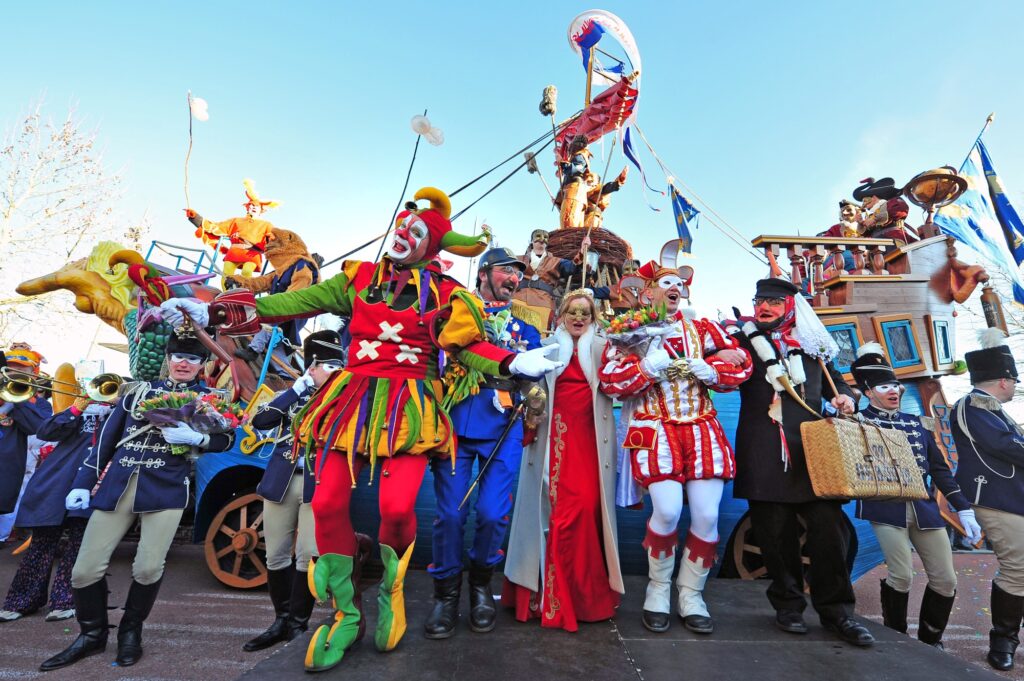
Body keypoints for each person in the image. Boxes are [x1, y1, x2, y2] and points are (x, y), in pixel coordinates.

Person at [159, 186, 561, 672]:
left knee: (395, 509)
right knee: (325, 503)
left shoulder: (448, 295)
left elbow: (468, 346)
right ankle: (346, 614)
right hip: (351, 400)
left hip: (410, 408)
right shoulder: (359, 279)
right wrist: (217, 311)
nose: (402, 235)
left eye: (416, 232)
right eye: (402, 226)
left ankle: (392, 591)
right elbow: (294, 303)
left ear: (432, 246)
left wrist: (516, 360)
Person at [39, 329, 235, 671]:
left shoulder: (210, 400)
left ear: (203, 365)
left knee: (147, 567)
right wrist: (83, 482)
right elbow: (105, 441)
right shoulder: (137, 393)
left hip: (165, 488)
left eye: (193, 358)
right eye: (178, 356)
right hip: (118, 485)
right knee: (84, 571)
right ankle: (91, 635)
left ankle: (131, 631)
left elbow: (228, 441)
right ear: (168, 359)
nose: (184, 363)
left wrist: (198, 438)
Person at [599, 259, 752, 634]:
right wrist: (647, 367)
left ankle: (691, 593)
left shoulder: (704, 328)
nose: (674, 287)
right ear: (648, 291)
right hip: (656, 431)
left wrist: (712, 370)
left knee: (706, 516)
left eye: (678, 283)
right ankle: (658, 588)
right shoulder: (629, 330)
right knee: (666, 512)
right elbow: (610, 382)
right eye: (665, 282)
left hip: (701, 428)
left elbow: (743, 362)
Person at [730, 277, 874, 647]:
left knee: (829, 534)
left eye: (774, 301)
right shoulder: (739, 341)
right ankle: (788, 606)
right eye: (760, 299)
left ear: (791, 307)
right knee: (774, 535)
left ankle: (838, 613)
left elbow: (838, 386)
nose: (765, 306)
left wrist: (846, 400)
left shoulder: (813, 348)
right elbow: (721, 374)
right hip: (764, 449)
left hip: (814, 450)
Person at [425, 247, 541, 639]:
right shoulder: (456, 316)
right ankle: (445, 594)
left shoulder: (527, 330)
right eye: (507, 271)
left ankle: (479, 585)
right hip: (456, 424)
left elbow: (533, 381)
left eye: (518, 275)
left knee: (493, 514)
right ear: (484, 273)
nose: (514, 279)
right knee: (451, 514)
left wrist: (534, 399)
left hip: (503, 427)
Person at [503, 290, 623, 631]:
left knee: (584, 509)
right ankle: (548, 596)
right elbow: (527, 385)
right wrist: (533, 403)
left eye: (586, 312)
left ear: (593, 318)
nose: (579, 317)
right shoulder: (546, 346)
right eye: (573, 310)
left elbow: (619, 385)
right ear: (562, 315)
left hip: (590, 443)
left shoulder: (604, 348)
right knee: (549, 512)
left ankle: (582, 598)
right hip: (550, 439)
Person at [851, 343, 981, 648]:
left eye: (895, 385)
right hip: (884, 508)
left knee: (946, 580)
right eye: (884, 386)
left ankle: (929, 641)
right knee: (901, 576)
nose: (894, 391)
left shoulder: (915, 423)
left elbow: (940, 470)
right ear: (869, 392)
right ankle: (898, 639)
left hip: (923, 508)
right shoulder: (856, 423)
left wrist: (964, 509)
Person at [242, 330, 342, 652]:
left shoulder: (342, 399)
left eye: (338, 365)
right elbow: (262, 421)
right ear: (311, 367)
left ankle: (298, 624)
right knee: (275, 554)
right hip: (282, 479)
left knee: (306, 556)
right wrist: (295, 389)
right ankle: (280, 620)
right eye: (328, 365)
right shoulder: (294, 394)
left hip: (318, 483)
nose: (336, 371)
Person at [0, 393, 113, 623]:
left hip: (97, 482)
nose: (106, 397)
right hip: (58, 480)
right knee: (42, 543)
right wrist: (75, 410)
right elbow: (45, 431)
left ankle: (65, 601)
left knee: (80, 544)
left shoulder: (121, 417)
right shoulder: (83, 412)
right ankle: (22, 601)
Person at [950, 328, 1023, 671]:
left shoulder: (990, 408)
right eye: (1014, 381)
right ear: (1005, 380)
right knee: (1017, 567)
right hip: (995, 497)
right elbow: (1005, 446)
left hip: (1010, 497)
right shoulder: (974, 405)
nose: (1015, 387)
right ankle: (1004, 640)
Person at [186, 178, 279, 278]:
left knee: (247, 272)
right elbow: (216, 227)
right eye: (250, 205)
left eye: (255, 206)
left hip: (252, 253)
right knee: (226, 273)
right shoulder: (236, 221)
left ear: (261, 209)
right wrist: (195, 218)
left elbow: (274, 238)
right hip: (234, 252)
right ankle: (226, 293)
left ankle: (246, 292)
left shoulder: (267, 224)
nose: (252, 207)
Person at [0, 345, 52, 518]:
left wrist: (15, 397)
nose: (14, 370)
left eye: (22, 368)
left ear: (34, 373)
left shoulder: (40, 404)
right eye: (10, 366)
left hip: (5, 468)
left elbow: (38, 428)